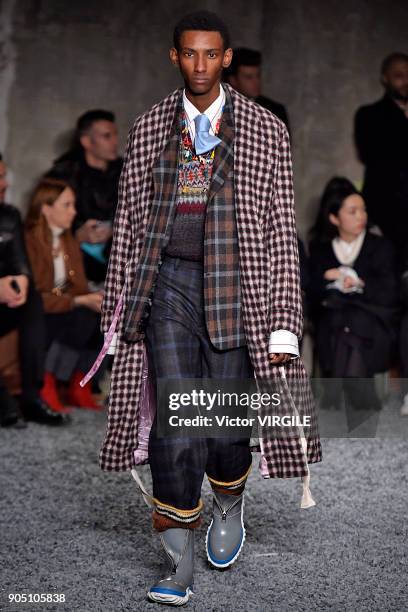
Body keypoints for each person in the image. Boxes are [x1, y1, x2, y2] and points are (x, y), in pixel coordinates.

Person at [99, 11, 321, 606]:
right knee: (177, 420)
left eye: (211, 55)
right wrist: (117, 316)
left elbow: (279, 229)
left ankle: (229, 499)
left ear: (226, 58)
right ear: (176, 57)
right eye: (189, 54)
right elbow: (128, 227)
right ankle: (179, 561)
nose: (200, 65)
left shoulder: (265, 129)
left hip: (239, 287)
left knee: (223, 424)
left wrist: (284, 322)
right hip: (167, 282)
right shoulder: (148, 128)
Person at [309, 177, 399, 416]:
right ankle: (359, 391)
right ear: (334, 218)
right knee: (341, 318)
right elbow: (310, 292)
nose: (362, 216)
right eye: (353, 211)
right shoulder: (321, 250)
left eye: (363, 210)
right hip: (334, 318)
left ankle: (339, 389)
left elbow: (390, 292)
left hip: (373, 318)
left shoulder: (380, 246)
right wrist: (328, 276)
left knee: (353, 319)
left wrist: (360, 283)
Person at [24, 178, 104, 412]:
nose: (74, 211)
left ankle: (80, 384)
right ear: (46, 208)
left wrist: (95, 297)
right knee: (82, 318)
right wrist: (79, 300)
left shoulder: (68, 240)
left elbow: (78, 285)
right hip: (39, 311)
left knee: (104, 318)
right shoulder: (30, 240)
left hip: (63, 306)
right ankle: (47, 382)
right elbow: (35, 295)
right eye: (67, 205)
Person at [0, 154, 64, 427]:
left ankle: (31, 396)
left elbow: (20, 263)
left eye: (4, 176)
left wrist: (22, 283)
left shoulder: (9, 215)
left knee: (33, 300)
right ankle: (4, 402)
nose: (4, 184)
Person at [47, 110, 123, 285]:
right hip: (72, 264)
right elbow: (41, 227)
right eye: (107, 136)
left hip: (117, 264)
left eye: (115, 135)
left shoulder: (127, 171)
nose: (115, 141)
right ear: (86, 141)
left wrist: (115, 231)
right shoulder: (62, 175)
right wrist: (76, 236)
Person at [354, 52, 408, 260]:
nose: (406, 82)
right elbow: (371, 154)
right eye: (399, 76)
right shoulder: (369, 114)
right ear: (385, 78)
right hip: (387, 212)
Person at [224, 47, 290, 131]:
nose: (256, 82)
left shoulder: (276, 111)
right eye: (249, 77)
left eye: (258, 75)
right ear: (233, 80)